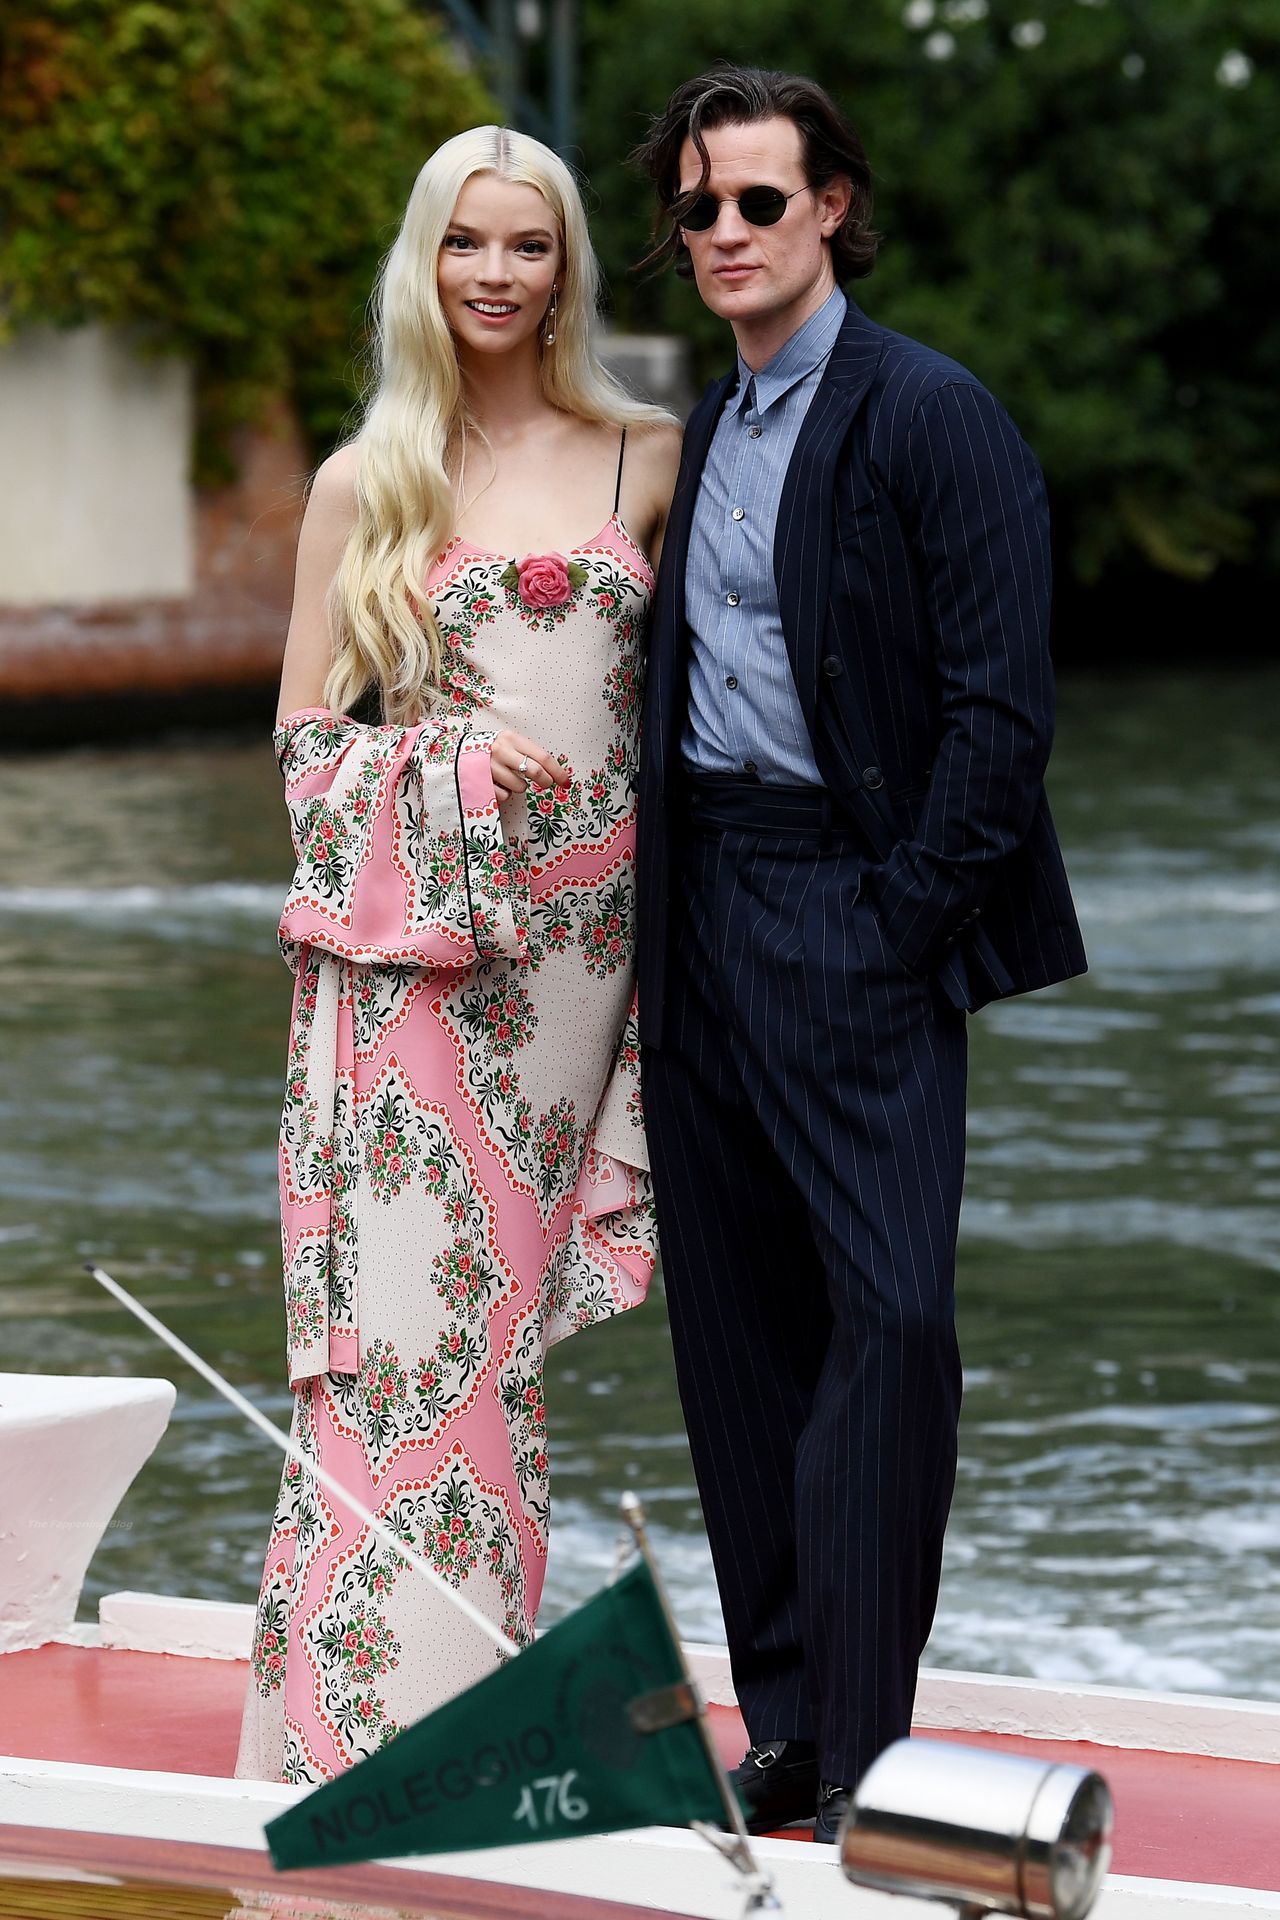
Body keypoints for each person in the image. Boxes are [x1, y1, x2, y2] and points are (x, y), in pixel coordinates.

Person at [632, 65, 1086, 1841]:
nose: (728, 233)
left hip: (857, 908)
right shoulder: (699, 432)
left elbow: (1003, 714)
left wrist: (898, 926)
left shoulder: (933, 413)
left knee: (889, 1326)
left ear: (832, 206)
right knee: (739, 1348)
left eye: (760, 200)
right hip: (702, 918)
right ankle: (795, 1730)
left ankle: (878, 1749)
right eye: (699, 208)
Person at [235, 125, 681, 1784]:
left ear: (567, 265)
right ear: (424, 261)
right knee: (409, 1336)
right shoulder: (371, 480)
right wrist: (464, 786)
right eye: (466, 245)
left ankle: (464, 1708)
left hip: (582, 978)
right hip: (422, 964)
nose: (497, 276)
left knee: (495, 1344)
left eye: (532, 246)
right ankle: (364, 1735)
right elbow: (298, 743)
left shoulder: (648, 453)